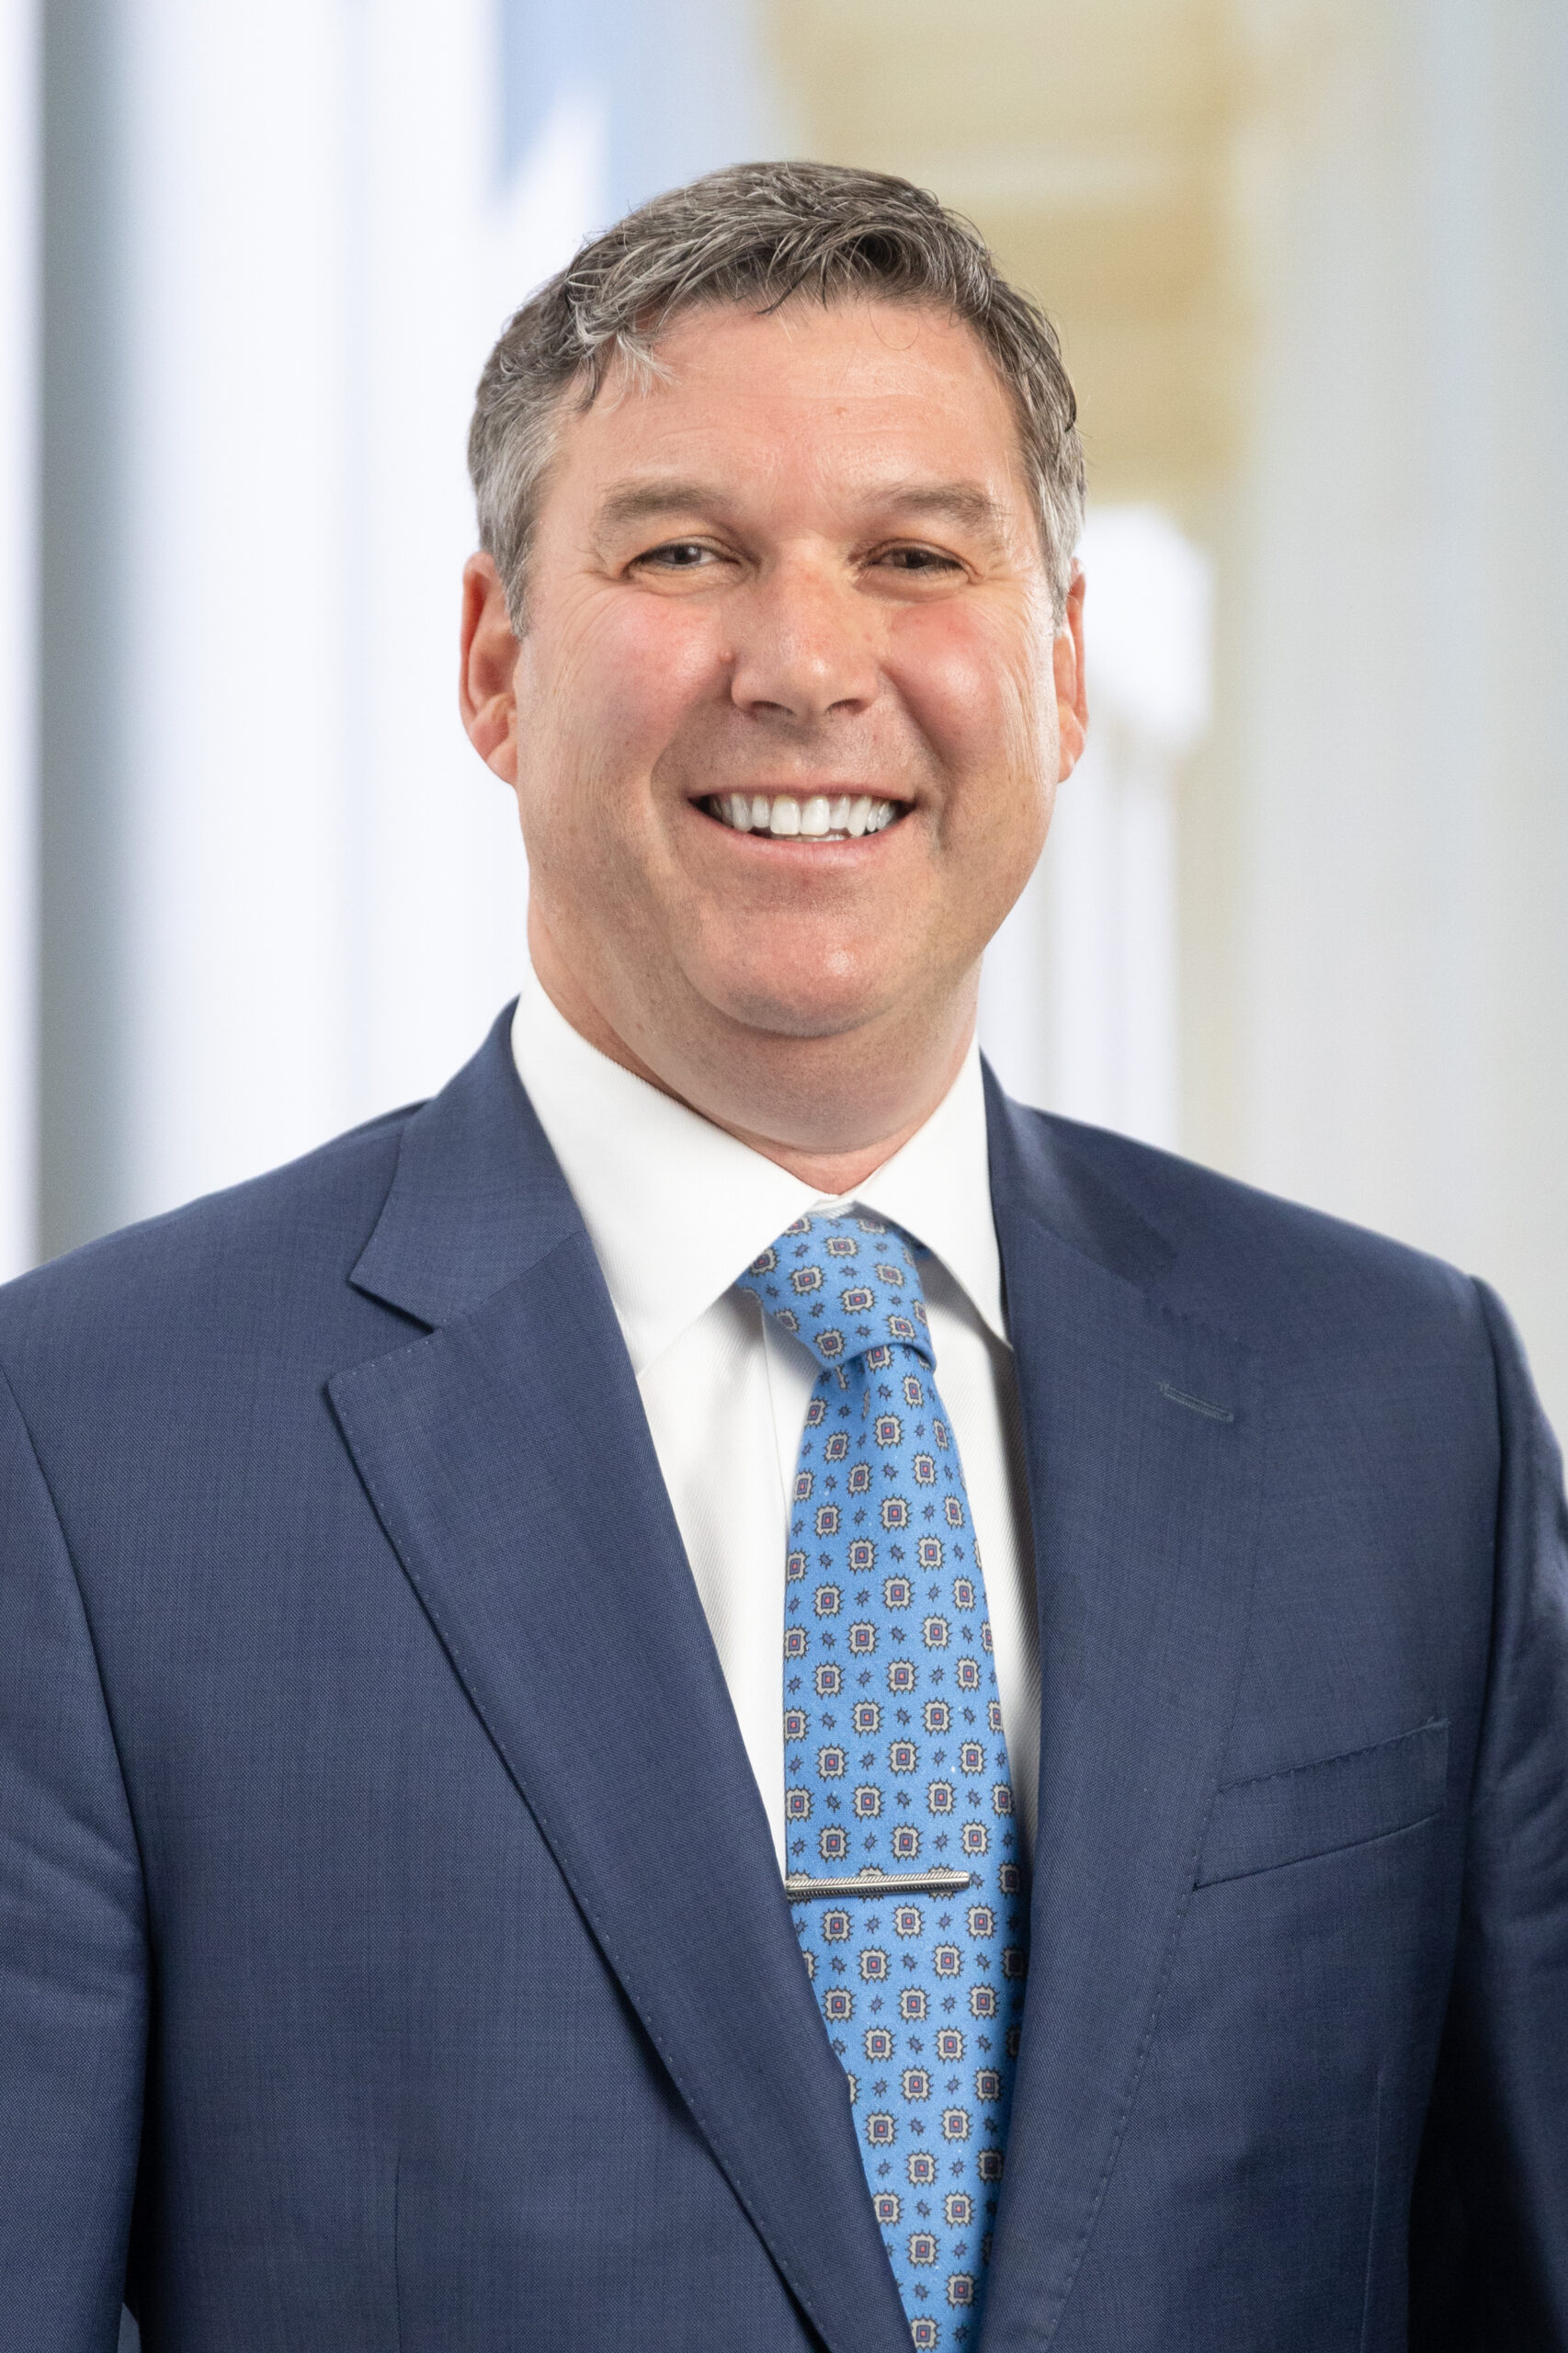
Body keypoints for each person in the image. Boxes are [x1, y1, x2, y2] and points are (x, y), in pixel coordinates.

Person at [1, 161, 1564, 2353]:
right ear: (491, 664)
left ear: (1062, 671)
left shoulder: (1403, 1411)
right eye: (681, 552)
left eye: (914, 557)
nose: (806, 662)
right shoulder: (86, 1448)